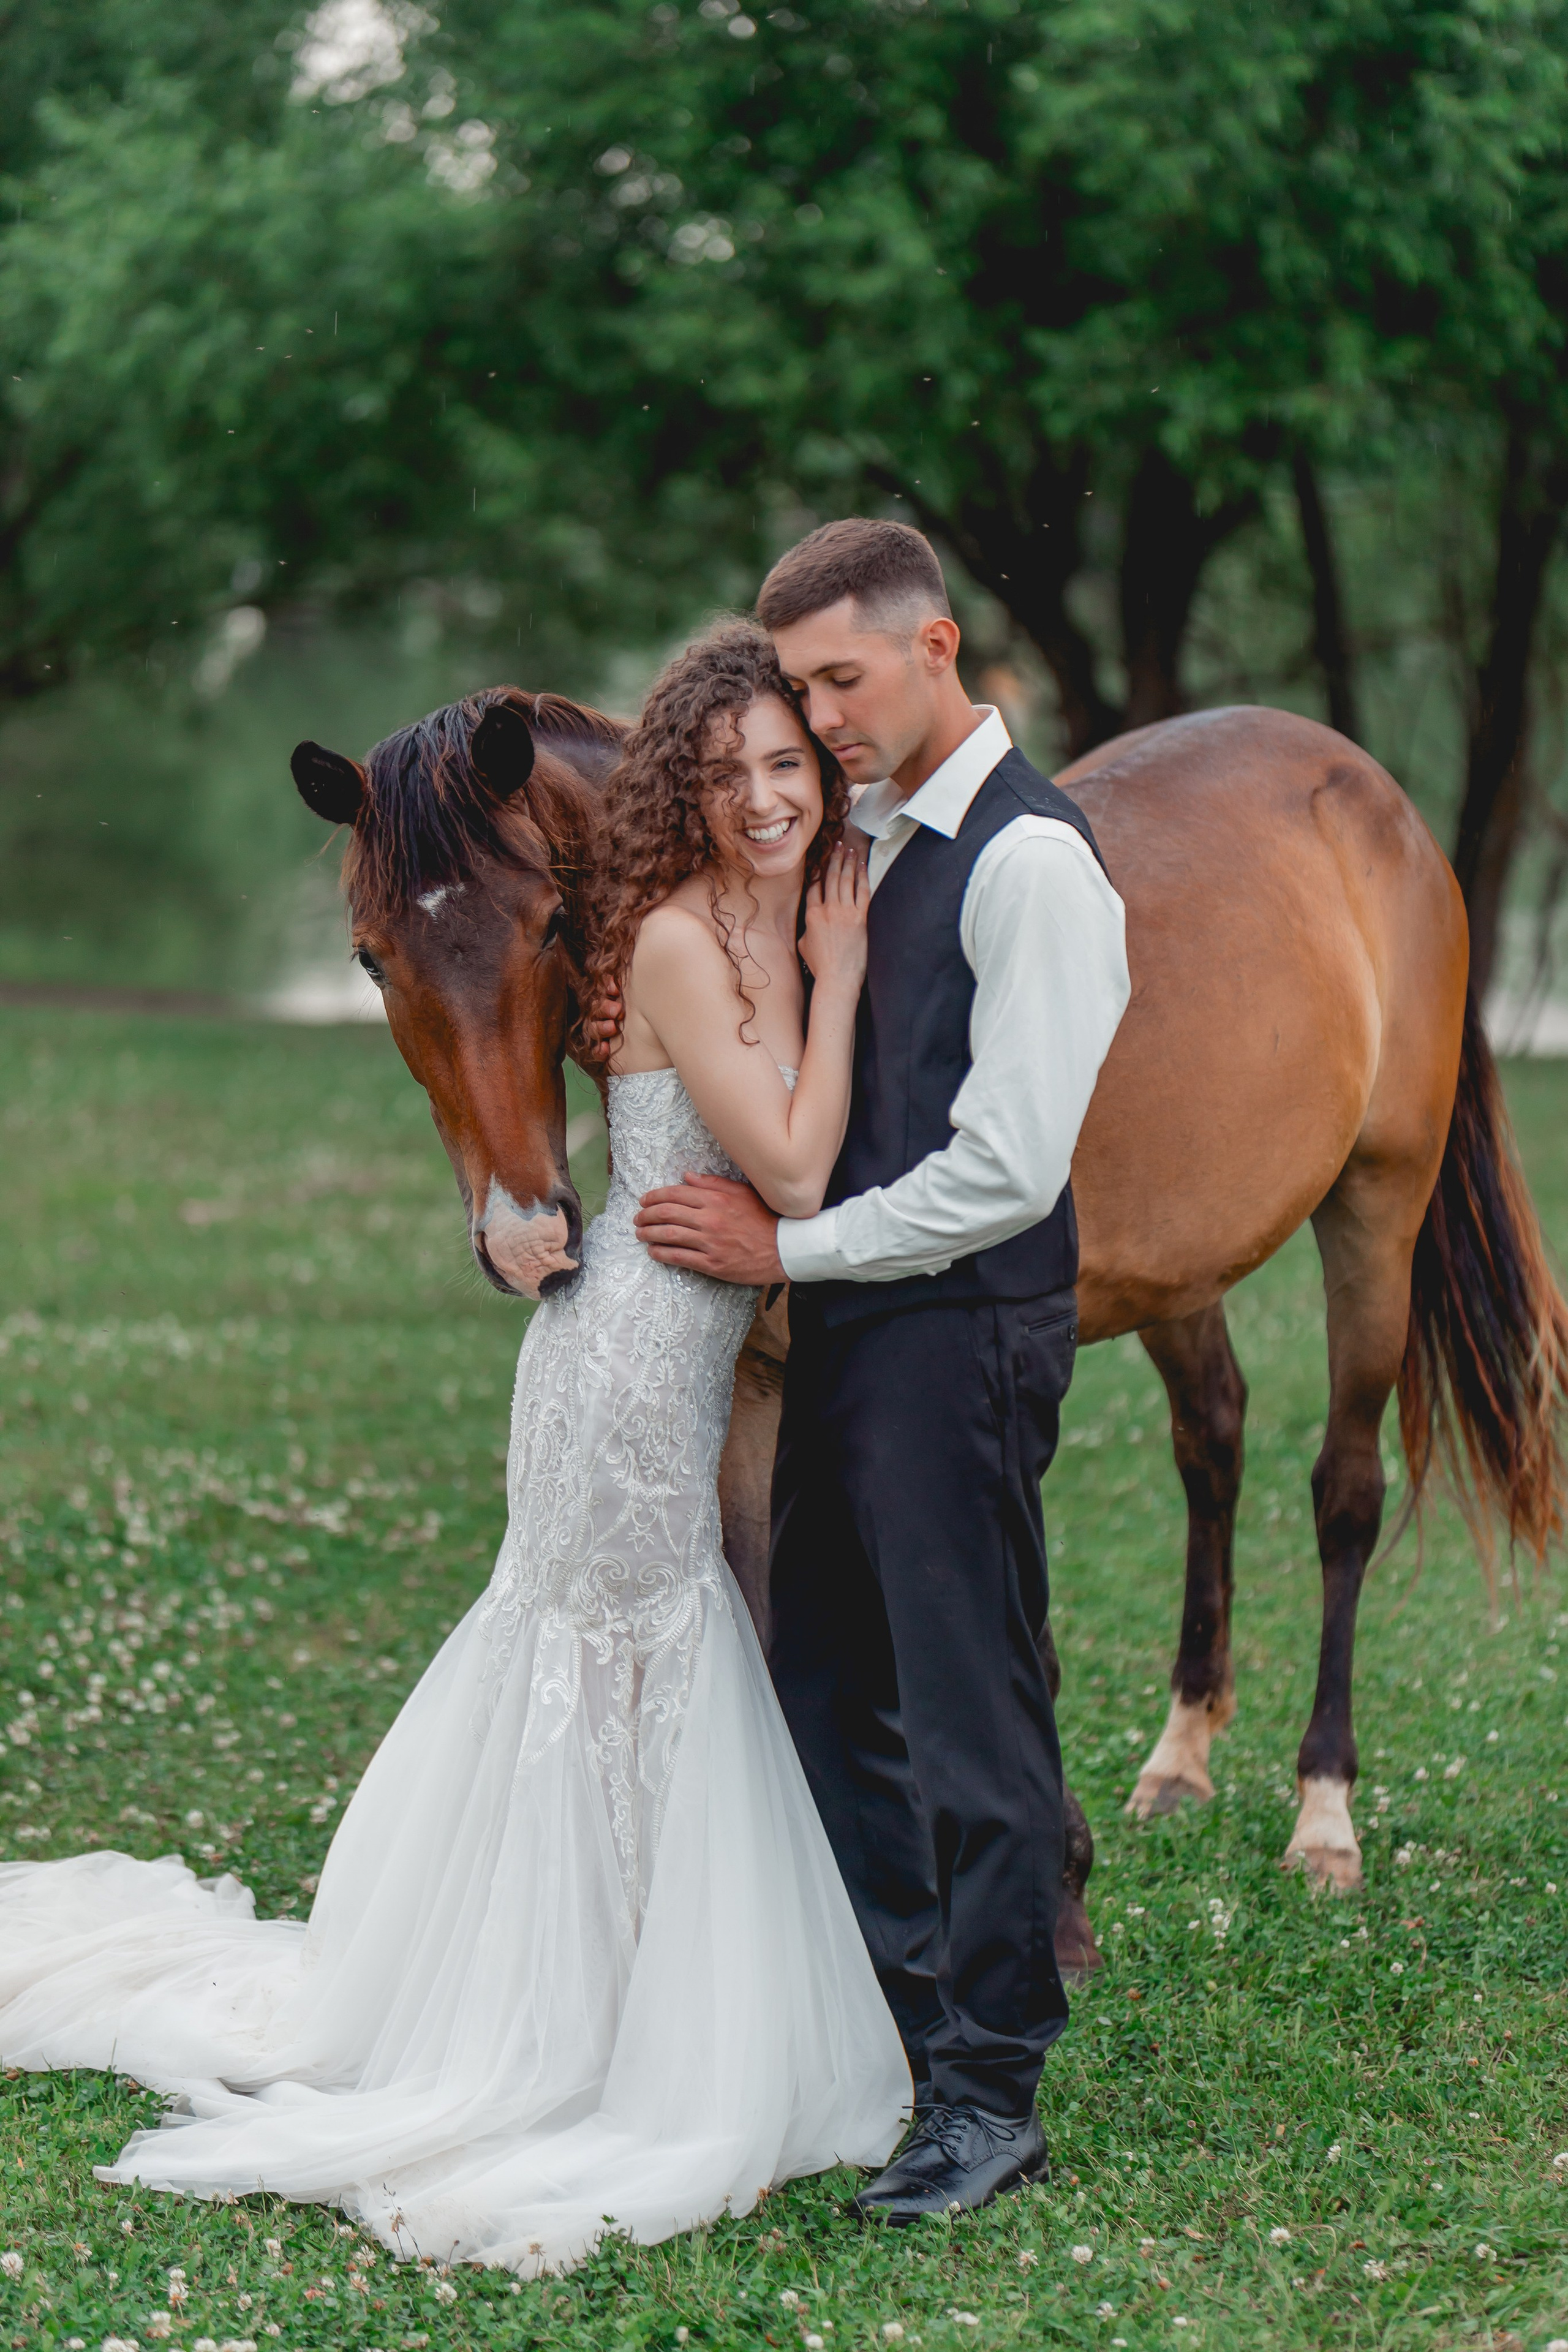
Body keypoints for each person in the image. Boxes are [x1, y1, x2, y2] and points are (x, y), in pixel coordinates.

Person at [0, 625, 910, 2271]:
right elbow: (789, 1163)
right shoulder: (693, 950)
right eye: (731, 774)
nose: (764, 796)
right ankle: (593, 2016)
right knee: (633, 1654)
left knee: (597, 1660)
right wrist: (841, 985)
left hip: (617, 1343)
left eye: (789, 767)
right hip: (634, 1356)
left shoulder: (657, 934)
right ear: (675, 789)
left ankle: (584, 1979)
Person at [635, 520, 1131, 2223]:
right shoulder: (869, 844)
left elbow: (1007, 1167)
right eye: (800, 686)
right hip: (855, 1333)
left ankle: (993, 2094)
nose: (821, 714)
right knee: (831, 1686)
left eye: (840, 680)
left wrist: (787, 1254)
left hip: (967, 1335)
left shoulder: (1032, 865)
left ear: (939, 652)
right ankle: (917, 2026)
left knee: (972, 1711)